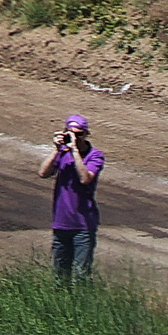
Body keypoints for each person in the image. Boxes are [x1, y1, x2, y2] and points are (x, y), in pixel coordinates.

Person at [39, 115, 103, 284]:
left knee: (81, 275)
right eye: (71, 133)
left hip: (83, 225)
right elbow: (43, 173)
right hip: (61, 223)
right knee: (60, 276)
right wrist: (56, 149)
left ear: (86, 134)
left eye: (79, 134)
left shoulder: (95, 156)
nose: (75, 138)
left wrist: (75, 151)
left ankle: (83, 306)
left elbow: (85, 178)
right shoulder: (62, 153)